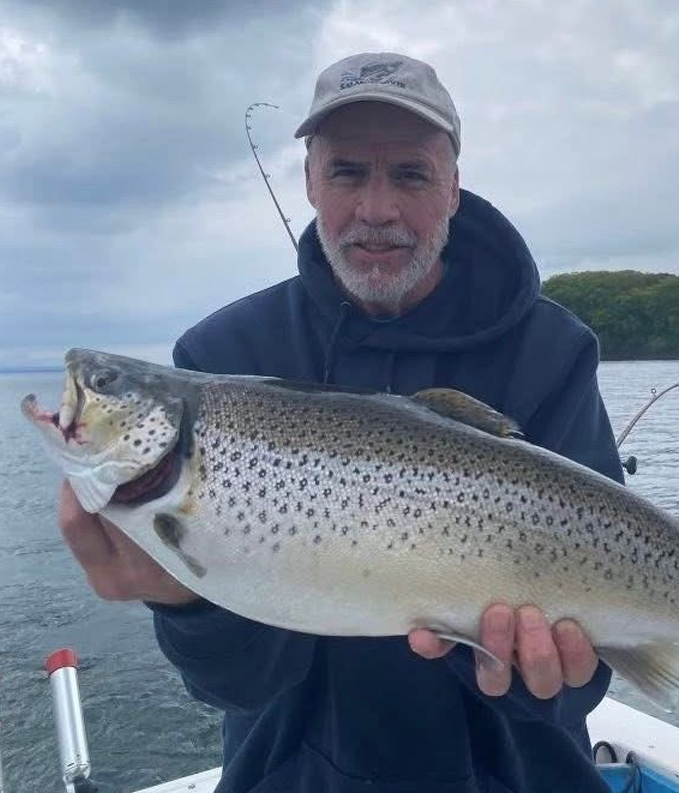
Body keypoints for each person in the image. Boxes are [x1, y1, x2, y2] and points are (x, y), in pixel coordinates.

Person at [58, 53, 625, 793]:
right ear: (309, 183)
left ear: (454, 187)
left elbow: (581, 684)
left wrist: (540, 672)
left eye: (411, 176)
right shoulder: (223, 357)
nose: (378, 208)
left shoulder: (551, 351)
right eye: (349, 172)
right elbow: (236, 688)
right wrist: (184, 599)